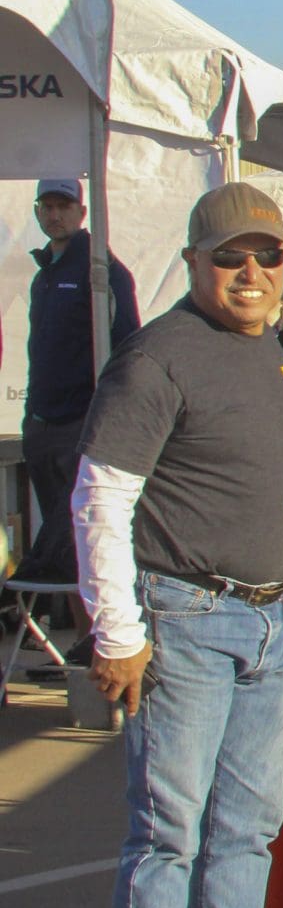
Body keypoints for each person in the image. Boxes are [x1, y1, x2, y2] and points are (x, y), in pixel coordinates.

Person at [78, 182, 283, 908]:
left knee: (248, 827)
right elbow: (101, 498)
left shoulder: (274, 356)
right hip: (183, 617)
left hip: (270, 621)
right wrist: (119, 632)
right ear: (193, 263)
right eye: (231, 257)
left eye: (267, 256)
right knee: (167, 829)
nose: (251, 273)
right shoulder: (157, 358)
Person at [21, 177, 140, 603]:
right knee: (62, 539)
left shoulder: (101, 270)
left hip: (81, 423)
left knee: (84, 532)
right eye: (47, 207)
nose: (55, 215)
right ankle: (66, 640)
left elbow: (128, 343)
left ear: (81, 213)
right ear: (37, 211)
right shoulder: (45, 274)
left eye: (63, 206)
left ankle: (98, 637)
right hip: (41, 422)